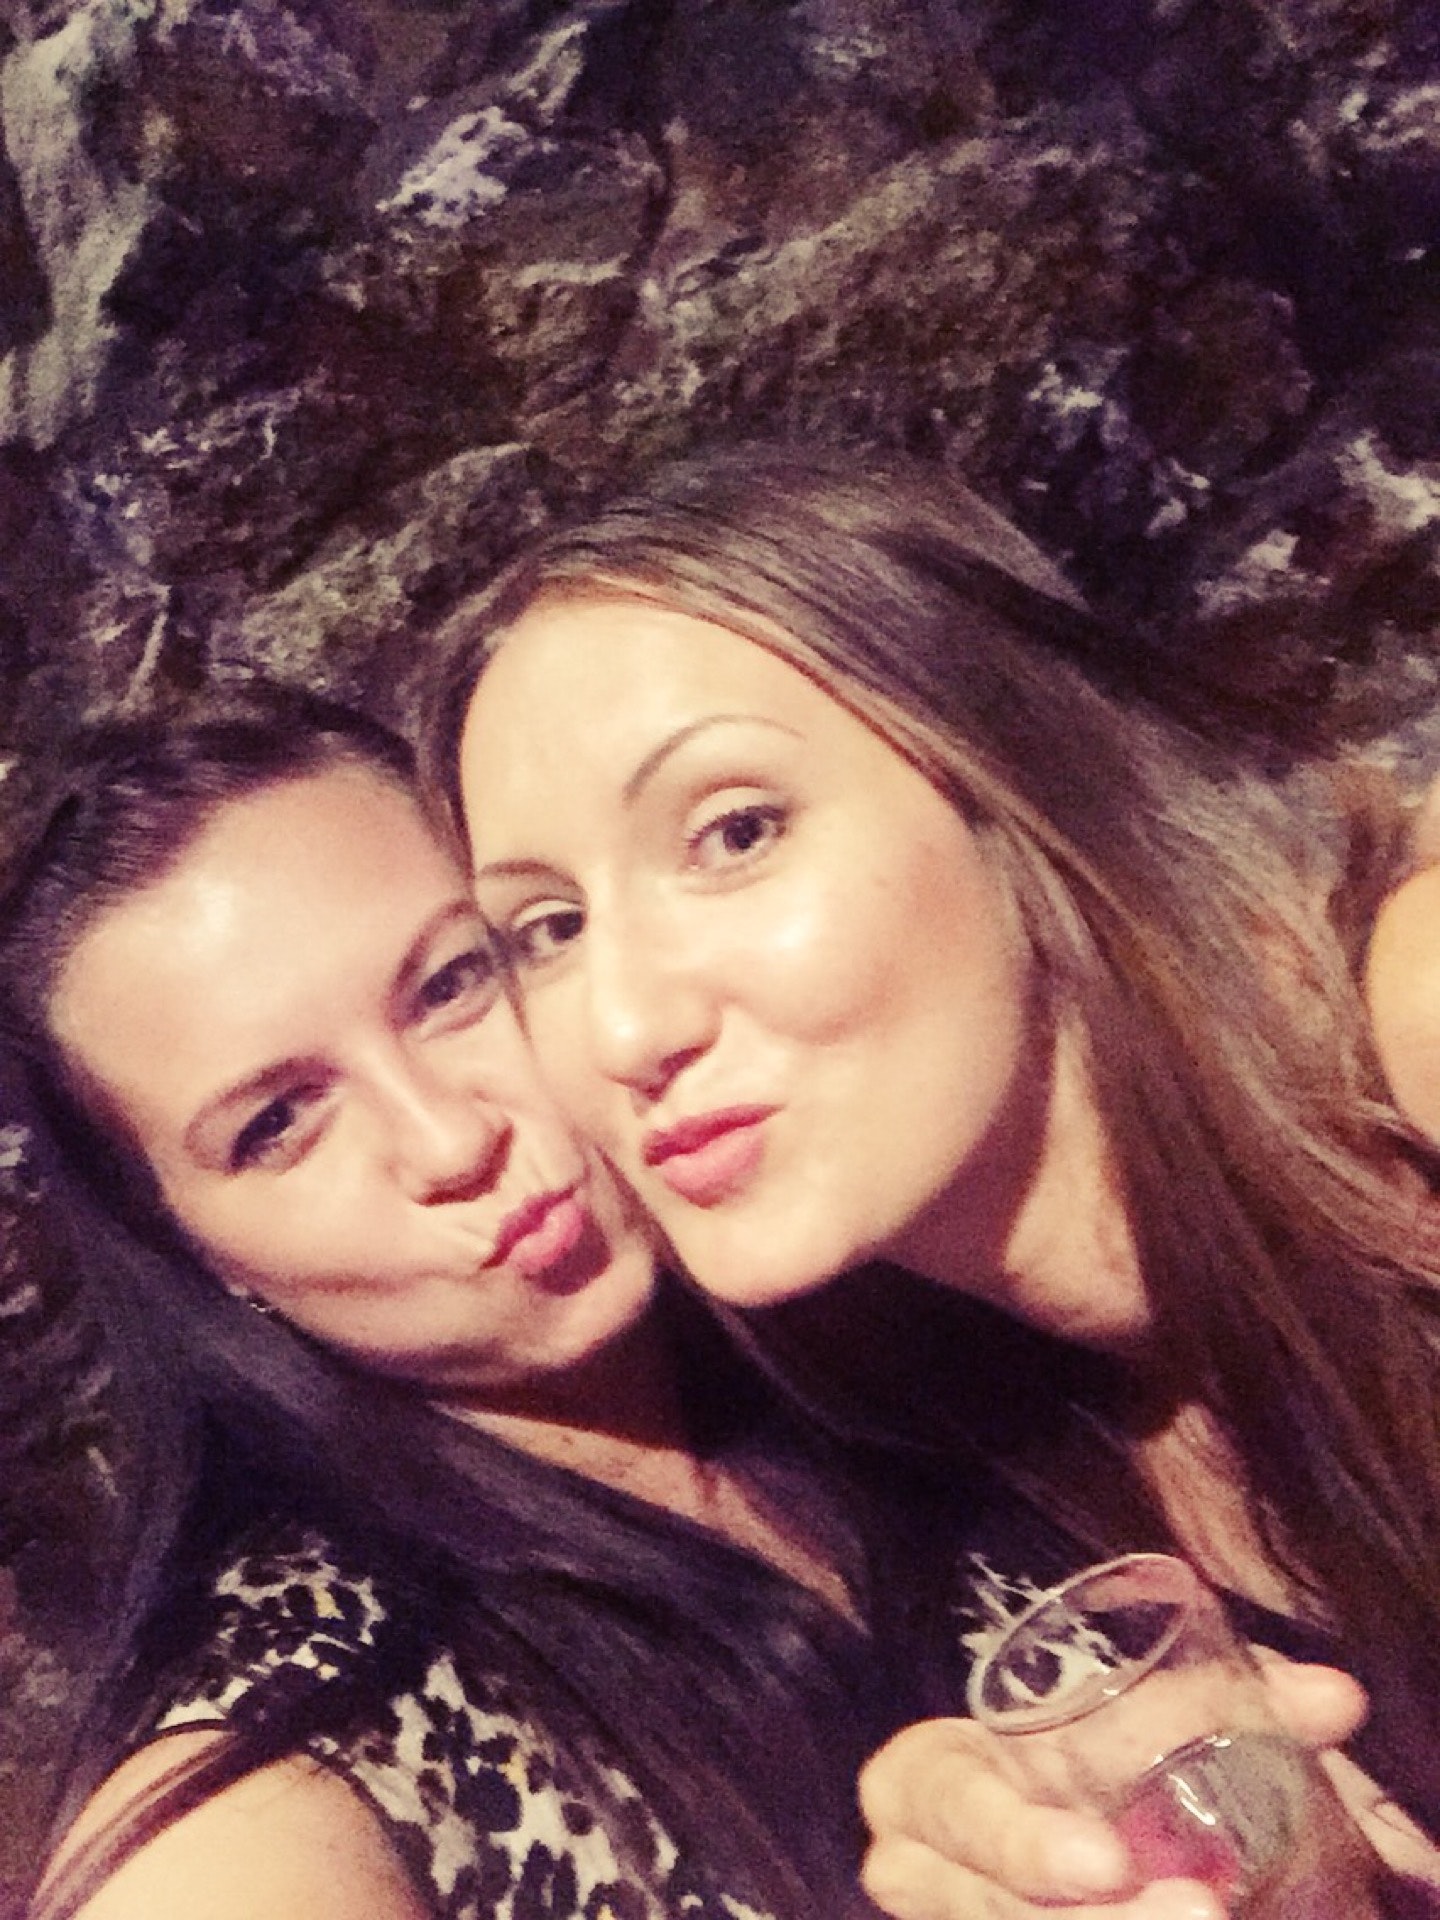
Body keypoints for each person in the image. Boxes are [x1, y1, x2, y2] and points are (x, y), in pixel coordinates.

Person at [422, 444, 1440, 1913]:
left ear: (1010, 772)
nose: (627, 1030)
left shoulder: (1410, 1028)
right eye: (548, 929)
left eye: (734, 832)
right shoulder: (983, 1433)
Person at [1, 681, 982, 1920]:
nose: (453, 1139)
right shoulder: (314, 1740)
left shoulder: (875, 1317)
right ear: (201, 1259)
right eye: (278, 1123)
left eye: (451, 984)